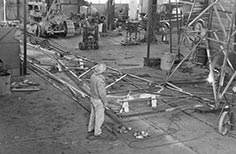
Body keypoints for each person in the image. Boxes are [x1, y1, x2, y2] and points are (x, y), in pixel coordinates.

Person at [87, 63, 107, 139]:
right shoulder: (100, 81)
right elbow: (102, 93)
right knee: (99, 117)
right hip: (98, 100)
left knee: (92, 114)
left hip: (92, 98)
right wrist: (104, 102)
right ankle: (97, 132)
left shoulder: (92, 76)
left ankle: (90, 128)